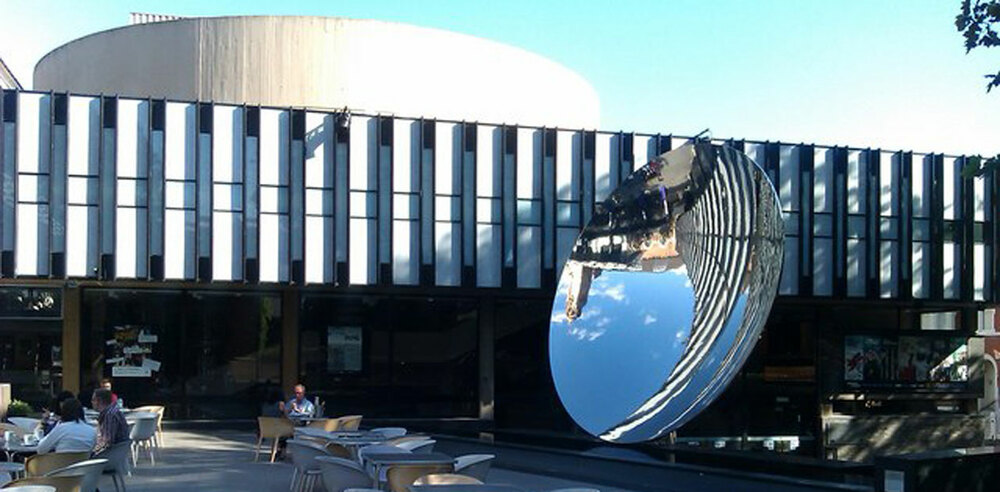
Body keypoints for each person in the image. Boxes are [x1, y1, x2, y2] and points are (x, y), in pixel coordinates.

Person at [91, 388, 129, 456]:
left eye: (93, 400)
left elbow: (107, 442)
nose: (91, 402)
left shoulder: (110, 415)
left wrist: (92, 452)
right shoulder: (113, 411)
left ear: (99, 401)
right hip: (119, 454)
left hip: (111, 456)